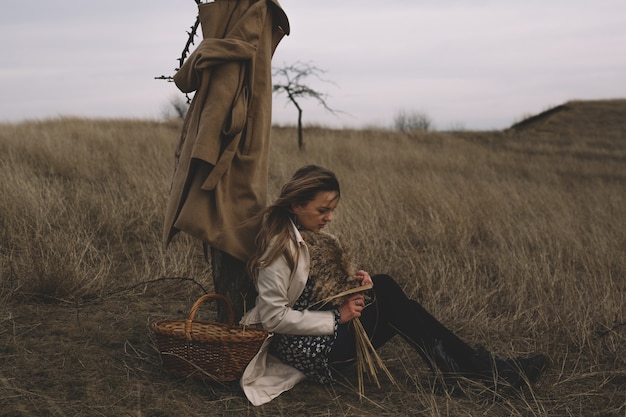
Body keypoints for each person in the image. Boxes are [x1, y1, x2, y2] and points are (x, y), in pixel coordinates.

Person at [239, 165, 547, 406]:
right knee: (388, 291)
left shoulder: (314, 238)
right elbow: (273, 317)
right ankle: (475, 367)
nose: (330, 217)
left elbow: (314, 293)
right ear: (295, 204)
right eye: (322, 210)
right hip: (312, 356)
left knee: (392, 298)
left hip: (322, 340)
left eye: (333, 209)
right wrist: (337, 317)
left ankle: (468, 367)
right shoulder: (277, 250)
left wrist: (353, 289)